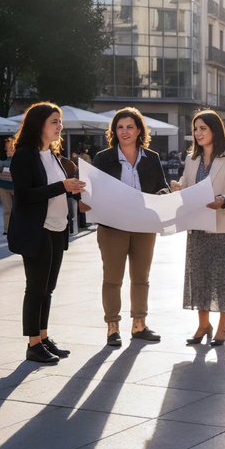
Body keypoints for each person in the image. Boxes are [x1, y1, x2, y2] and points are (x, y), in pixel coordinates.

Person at [6, 102, 84, 364]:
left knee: (48, 288)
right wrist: (61, 186)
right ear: (39, 124)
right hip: (37, 230)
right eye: (54, 121)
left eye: (60, 121)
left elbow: (58, 188)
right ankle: (32, 344)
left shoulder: (53, 155)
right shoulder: (24, 155)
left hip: (58, 229)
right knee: (36, 288)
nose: (59, 126)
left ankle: (43, 336)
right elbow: (25, 196)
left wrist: (71, 189)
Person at [87, 107, 170, 347]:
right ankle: (112, 327)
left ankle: (139, 325)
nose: (124, 131)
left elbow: (161, 186)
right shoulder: (103, 158)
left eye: (130, 127)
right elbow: (93, 191)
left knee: (141, 278)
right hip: (112, 227)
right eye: (120, 127)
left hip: (144, 226)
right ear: (114, 131)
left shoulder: (151, 158)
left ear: (139, 130)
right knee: (112, 278)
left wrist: (165, 194)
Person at [172, 109, 225, 347]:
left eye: (203, 128)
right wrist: (178, 187)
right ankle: (203, 325)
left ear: (215, 130)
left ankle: (223, 326)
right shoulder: (191, 159)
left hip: (222, 228)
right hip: (196, 227)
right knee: (199, 278)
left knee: (224, 278)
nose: (198, 133)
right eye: (195, 129)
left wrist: (223, 200)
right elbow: (186, 185)